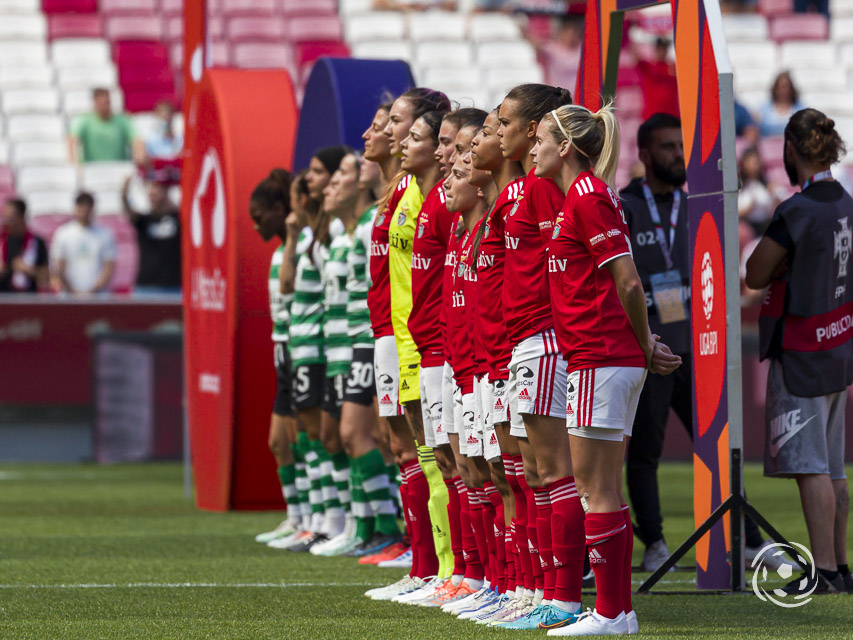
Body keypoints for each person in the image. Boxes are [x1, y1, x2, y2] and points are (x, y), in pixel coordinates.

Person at [531, 101, 681, 636]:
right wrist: (642, 345)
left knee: (593, 487)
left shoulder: (587, 197)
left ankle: (611, 612)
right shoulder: (587, 195)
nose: (534, 148)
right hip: (601, 354)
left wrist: (643, 344)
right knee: (603, 487)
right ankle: (617, 612)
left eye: (542, 138)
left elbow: (629, 281)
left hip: (600, 355)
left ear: (565, 147)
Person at [746, 108, 852, 595]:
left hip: (804, 348)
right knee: (831, 467)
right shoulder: (846, 201)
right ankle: (840, 567)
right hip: (838, 345)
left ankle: (825, 571)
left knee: (811, 467)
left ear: (790, 149)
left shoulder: (799, 210)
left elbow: (755, 273)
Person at [619, 114, 693, 573]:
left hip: (695, 346)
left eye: (680, 147)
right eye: (667, 147)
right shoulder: (625, 205)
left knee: (718, 443)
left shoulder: (696, 205)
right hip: (650, 343)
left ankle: (742, 535)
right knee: (646, 450)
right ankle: (655, 543)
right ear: (644, 154)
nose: (677, 155)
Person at [284, 146, 351, 553]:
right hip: (326, 344)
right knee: (320, 434)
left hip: (337, 344)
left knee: (347, 436)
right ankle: (327, 521)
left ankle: (346, 522)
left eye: (316, 171)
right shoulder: (319, 234)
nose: (310, 181)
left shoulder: (342, 232)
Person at [248, 168, 304, 548]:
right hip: (282, 351)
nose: (256, 227)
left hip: (304, 351)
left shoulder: (302, 248)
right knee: (280, 443)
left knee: (299, 440)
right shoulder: (277, 254)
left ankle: (315, 518)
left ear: (278, 209)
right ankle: (298, 516)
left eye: (259, 217)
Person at [121, 176, 181, 295]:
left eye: (157, 189)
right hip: (146, 286)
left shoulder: (178, 218)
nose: (152, 193)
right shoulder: (144, 220)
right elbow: (128, 210)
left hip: (174, 286)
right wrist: (124, 191)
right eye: (150, 191)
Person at [50, 192, 116, 295]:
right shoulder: (63, 233)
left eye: (87, 209)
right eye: (81, 208)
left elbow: (109, 266)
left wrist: (93, 291)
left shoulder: (104, 234)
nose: (84, 213)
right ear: (76, 208)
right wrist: (72, 291)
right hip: (69, 297)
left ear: (92, 209)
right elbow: (57, 266)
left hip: (97, 296)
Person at [68, 88, 144, 164]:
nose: (104, 106)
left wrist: (138, 157)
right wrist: (74, 163)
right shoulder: (84, 121)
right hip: (92, 170)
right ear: (95, 102)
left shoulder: (122, 121)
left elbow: (136, 141)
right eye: (101, 103)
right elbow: (72, 140)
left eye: (107, 102)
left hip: (119, 168)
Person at [0, 198, 48, 292]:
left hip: (28, 300)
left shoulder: (36, 242)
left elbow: (47, 276)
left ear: (21, 216)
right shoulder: (1, 241)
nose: (7, 220)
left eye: (11, 216)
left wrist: (27, 270)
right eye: (5, 216)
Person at [737, 147, 785, 234]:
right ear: (743, 164)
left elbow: (782, 201)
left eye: (756, 162)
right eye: (750, 162)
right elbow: (733, 214)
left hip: (765, 223)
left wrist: (775, 198)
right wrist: (749, 208)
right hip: (748, 225)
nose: (754, 165)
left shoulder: (767, 185)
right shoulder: (739, 186)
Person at [635, 37, 679, 121]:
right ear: (655, 49)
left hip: (671, 116)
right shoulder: (648, 66)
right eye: (659, 48)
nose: (662, 51)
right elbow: (635, 55)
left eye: (664, 48)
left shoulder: (673, 67)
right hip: (652, 116)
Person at [757, 72, 805, 138]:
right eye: (781, 87)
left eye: (787, 86)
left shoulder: (800, 109)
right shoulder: (764, 109)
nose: (784, 90)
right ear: (775, 88)